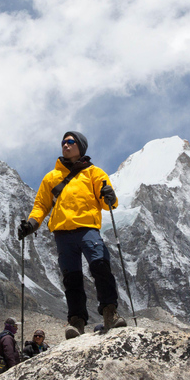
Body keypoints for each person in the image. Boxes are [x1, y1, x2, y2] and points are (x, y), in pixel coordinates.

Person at [18, 131, 127, 339]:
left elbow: (108, 203)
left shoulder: (94, 173)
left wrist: (110, 196)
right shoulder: (51, 177)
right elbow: (41, 205)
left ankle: (110, 314)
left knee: (100, 266)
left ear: (81, 146)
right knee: (72, 278)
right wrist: (31, 224)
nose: (65, 145)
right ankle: (76, 321)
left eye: (70, 142)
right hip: (62, 233)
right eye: (63, 142)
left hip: (88, 229)